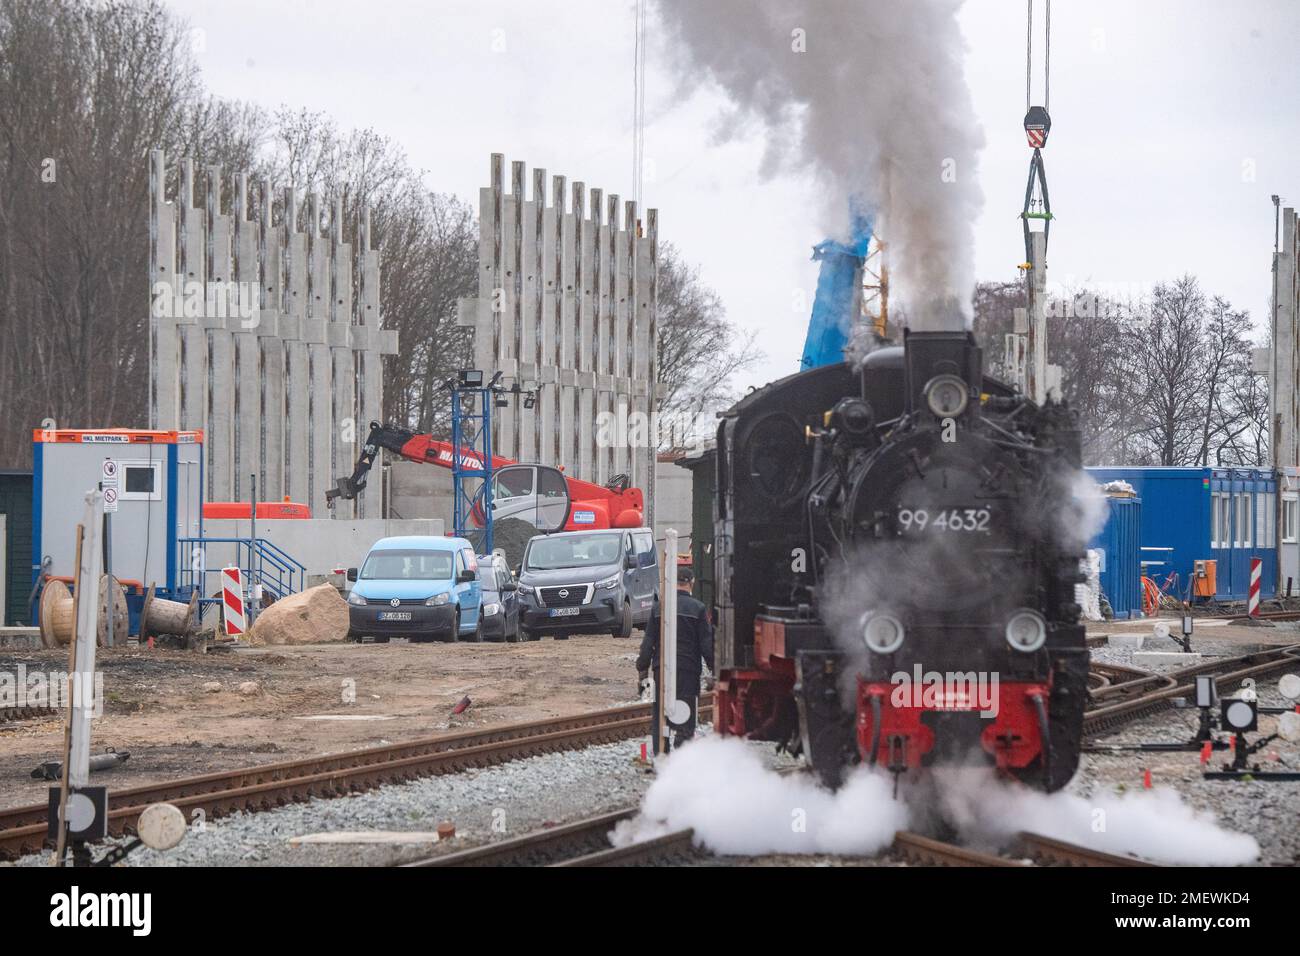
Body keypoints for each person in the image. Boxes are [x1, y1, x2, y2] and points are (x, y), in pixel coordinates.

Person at [636, 565, 713, 752]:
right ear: (691, 583)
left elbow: (647, 643)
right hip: (688, 669)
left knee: (660, 713)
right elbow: (706, 645)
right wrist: (714, 670)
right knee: (686, 713)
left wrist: (642, 670)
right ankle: (682, 754)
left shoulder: (658, 607)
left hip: (661, 669)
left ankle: (661, 754)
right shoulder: (698, 609)